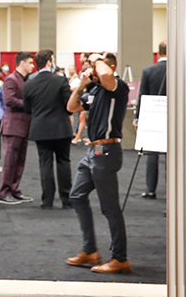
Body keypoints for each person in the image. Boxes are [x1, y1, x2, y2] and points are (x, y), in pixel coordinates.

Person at [66, 52, 131, 274]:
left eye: (95, 67)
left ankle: (120, 258)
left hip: (108, 151)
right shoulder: (95, 91)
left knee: (110, 207)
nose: (92, 70)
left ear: (109, 66)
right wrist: (82, 84)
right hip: (92, 151)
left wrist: (98, 60)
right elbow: (72, 107)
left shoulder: (117, 87)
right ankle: (90, 250)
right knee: (76, 195)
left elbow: (105, 73)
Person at [23, 49, 74, 209]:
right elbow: (69, 107)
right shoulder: (61, 81)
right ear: (49, 62)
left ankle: (47, 200)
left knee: (45, 163)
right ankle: (66, 199)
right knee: (63, 162)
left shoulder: (29, 83)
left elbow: (27, 108)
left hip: (40, 128)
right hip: (61, 128)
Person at [0, 52, 35, 205]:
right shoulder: (11, 79)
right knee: (10, 161)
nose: (33, 66)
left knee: (19, 161)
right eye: (30, 63)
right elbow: (9, 100)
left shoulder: (25, 80)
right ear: (22, 63)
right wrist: (29, 105)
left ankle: (14, 190)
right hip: (13, 126)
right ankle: (4, 192)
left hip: (23, 126)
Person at [135, 40, 167, 199]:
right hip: (174, 117)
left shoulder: (148, 71)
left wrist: (138, 118)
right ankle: (172, 189)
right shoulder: (179, 70)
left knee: (152, 154)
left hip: (153, 115)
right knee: (172, 155)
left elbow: (142, 95)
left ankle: (151, 189)